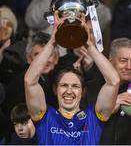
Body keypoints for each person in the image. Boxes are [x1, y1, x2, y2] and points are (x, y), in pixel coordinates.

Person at [24, 12, 120, 145]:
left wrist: (87, 43)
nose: (69, 91)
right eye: (64, 85)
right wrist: (53, 41)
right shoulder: (45, 116)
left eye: (75, 86)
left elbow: (113, 82)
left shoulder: (93, 117)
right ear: (55, 89)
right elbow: (30, 81)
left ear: (83, 91)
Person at [100, 37, 131, 145]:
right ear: (111, 61)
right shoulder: (93, 87)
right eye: (123, 61)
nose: (129, 66)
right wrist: (109, 106)